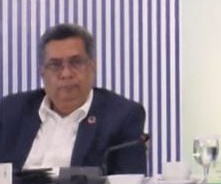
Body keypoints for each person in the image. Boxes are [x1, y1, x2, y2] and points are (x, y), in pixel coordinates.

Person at [0, 24, 147, 175]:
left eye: (76, 63)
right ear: (42, 72)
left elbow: (129, 183)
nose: (66, 74)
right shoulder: (9, 111)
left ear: (92, 67)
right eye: (55, 65)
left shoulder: (122, 116)